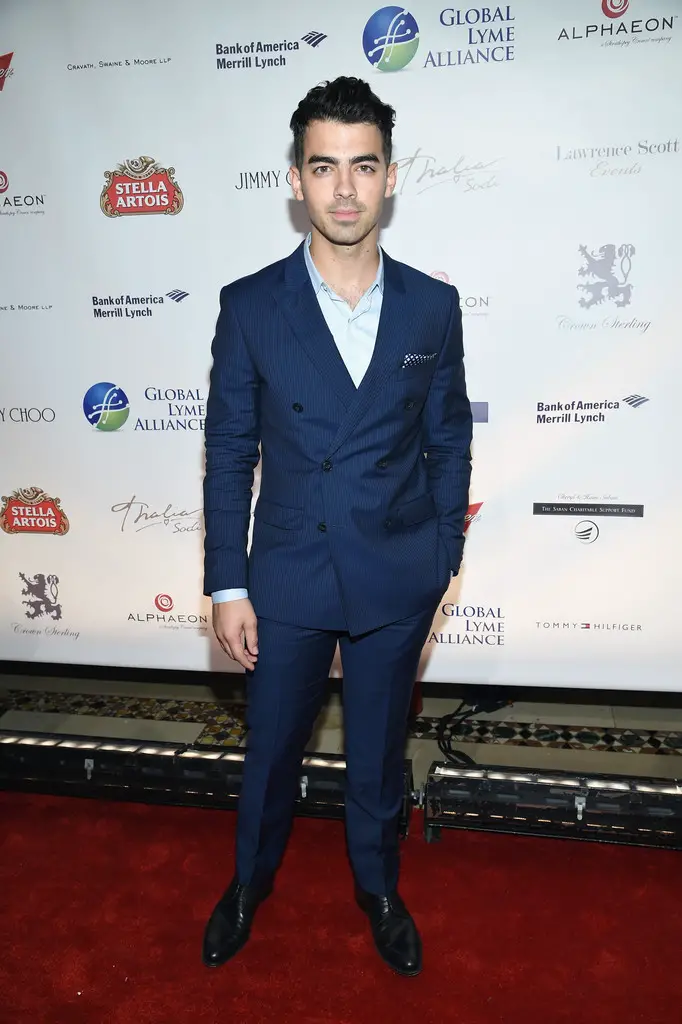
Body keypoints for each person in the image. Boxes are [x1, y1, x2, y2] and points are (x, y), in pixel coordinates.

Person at [201, 76, 472, 977]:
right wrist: (227, 580)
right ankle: (248, 884)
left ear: (391, 176)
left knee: (379, 757)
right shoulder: (250, 306)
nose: (345, 189)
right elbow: (229, 449)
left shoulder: (432, 306)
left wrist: (441, 555)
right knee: (271, 753)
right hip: (286, 573)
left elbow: (448, 439)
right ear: (296, 179)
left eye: (363, 166)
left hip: (396, 574)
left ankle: (380, 889)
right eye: (325, 167)